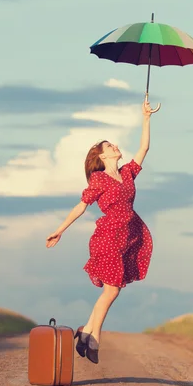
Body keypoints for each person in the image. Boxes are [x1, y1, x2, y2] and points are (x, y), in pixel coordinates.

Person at [45, 96, 160, 364]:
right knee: (112, 291)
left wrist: (146, 118)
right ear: (101, 155)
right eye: (109, 145)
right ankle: (93, 337)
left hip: (128, 235)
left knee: (112, 291)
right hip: (107, 237)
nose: (115, 146)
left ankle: (85, 331)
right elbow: (81, 206)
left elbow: (144, 148)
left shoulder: (128, 173)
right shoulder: (98, 179)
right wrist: (59, 230)